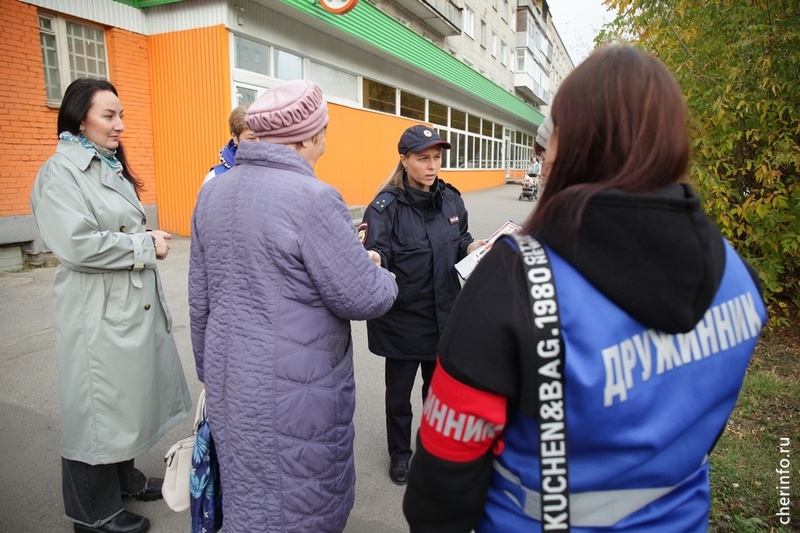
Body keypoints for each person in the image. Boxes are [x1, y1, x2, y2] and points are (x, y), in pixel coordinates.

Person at [403, 45, 767, 532]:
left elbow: (442, 480)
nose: (542, 160)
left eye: (549, 141)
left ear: (575, 145)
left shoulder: (517, 278)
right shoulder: (739, 277)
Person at [189, 79, 397, 533]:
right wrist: (381, 272)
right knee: (301, 502)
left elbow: (199, 297)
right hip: (296, 389)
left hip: (230, 379)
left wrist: (208, 368)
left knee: (246, 498)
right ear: (307, 137)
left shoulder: (213, 192)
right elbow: (363, 295)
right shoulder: (314, 199)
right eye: (324, 129)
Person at [30, 78, 192, 533]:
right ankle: (92, 513)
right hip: (94, 311)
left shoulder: (104, 163)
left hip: (120, 305)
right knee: (96, 413)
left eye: (121, 115)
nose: (120, 124)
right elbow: (76, 244)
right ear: (79, 119)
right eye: (109, 115)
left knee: (122, 402)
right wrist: (145, 245)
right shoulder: (60, 172)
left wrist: (143, 240)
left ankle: (123, 479)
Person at [359, 125, 486, 486]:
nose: (432, 166)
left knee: (439, 395)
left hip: (444, 316)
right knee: (399, 397)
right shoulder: (385, 207)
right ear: (404, 160)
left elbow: (459, 239)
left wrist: (471, 247)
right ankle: (400, 453)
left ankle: (433, 450)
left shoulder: (451, 199)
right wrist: (373, 258)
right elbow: (376, 250)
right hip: (403, 319)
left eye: (437, 158)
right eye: (423, 158)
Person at [201, 102, 257, 186]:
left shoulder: (274, 171)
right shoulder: (215, 177)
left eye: (263, 137)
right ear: (235, 138)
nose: (259, 143)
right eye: (251, 138)